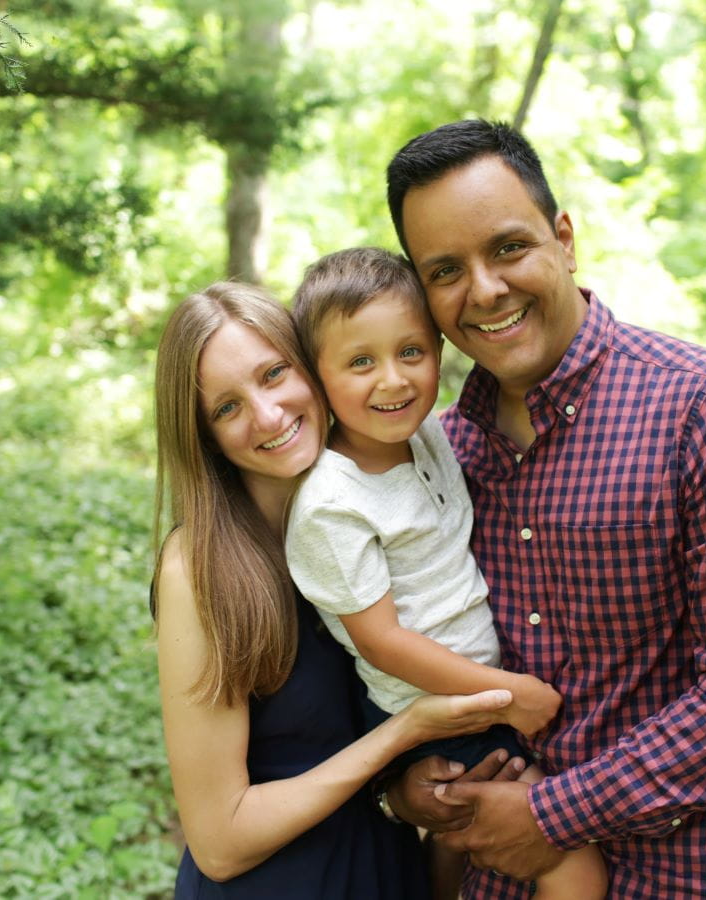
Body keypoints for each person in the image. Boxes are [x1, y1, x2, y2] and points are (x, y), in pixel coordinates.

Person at [382, 119, 706, 898]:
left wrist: (553, 815)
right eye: (446, 270)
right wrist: (410, 776)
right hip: (491, 878)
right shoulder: (436, 456)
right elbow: (422, 653)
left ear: (563, 238)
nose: (483, 289)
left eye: (508, 248)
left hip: (678, 878)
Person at [151, 280, 518, 899]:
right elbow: (220, 842)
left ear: (315, 369)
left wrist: (401, 791)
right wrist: (401, 736)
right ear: (204, 436)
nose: (268, 416)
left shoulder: (374, 517)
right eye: (227, 407)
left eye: (273, 375)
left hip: (385, 868)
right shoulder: (199, 571)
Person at [285, 247, 607, 900]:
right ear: (317, 377)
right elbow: (383, 641)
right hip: (435, 707)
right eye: (359, 363)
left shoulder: (429, 434)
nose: (393, 381)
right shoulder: (332, 502)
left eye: (411, 352)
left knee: (459, 853)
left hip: (468, 695)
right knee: (575, 867)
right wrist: (506, 693)